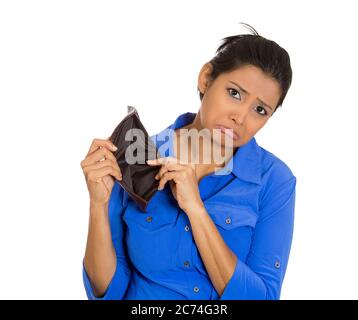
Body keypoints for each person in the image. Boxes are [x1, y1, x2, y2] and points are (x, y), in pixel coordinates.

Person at [80, 23, 296, 300]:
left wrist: (196, 209)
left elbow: (262, 297)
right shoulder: (139, 154)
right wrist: (97, 205)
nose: (241, 117)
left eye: (259, 109)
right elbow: (106, 291)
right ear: (206, 78)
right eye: (234, 93)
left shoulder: (275, 181)